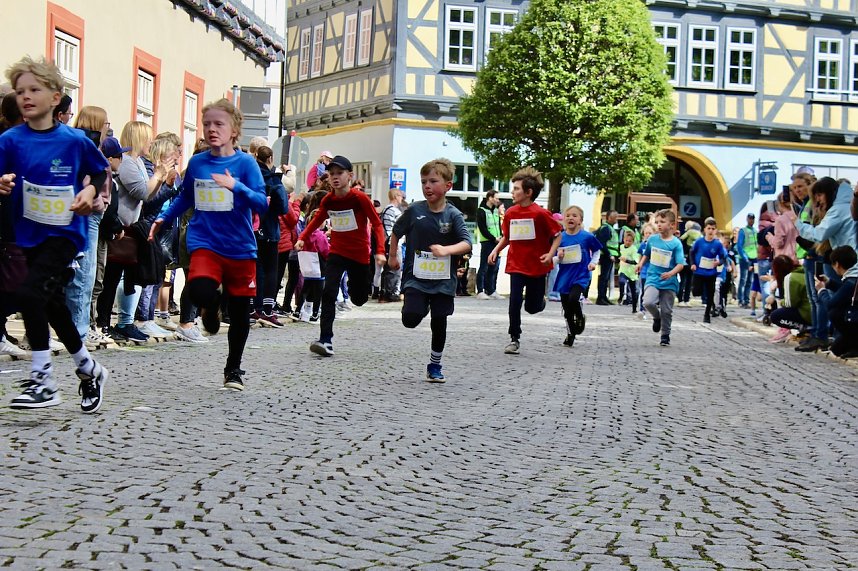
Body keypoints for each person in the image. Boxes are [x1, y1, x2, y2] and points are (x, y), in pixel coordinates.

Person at [0, 56, 110, 411]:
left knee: (30, 294)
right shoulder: (10, 140)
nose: (26, 97)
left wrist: (91, 192)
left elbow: (99, 172)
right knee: (52, 304)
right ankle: (88, 368)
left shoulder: (74, 141)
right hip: (28, 231)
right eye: (20, 92)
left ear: (56, 96)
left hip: (66, 232)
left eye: (35, 89)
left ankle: (44, 380)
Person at [149, 98, 267, 391]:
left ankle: (233, 369)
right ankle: (211, 306)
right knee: (199, 289)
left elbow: (263, 204)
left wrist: (236, 186)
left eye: (219, 124)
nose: (211, 130)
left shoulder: (246, 164)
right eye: (206, 125)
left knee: (240, 314)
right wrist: (163, 218)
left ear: (234, 129)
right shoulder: (198, 163)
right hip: (205, 242)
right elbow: (186, 197)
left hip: (240, 247)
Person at [388, 158, 472, 382]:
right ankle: (420, 307)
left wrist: (447, 250)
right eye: (424, 181)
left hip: (443, 280)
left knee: (440, 320)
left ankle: (435, 365)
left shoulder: (452, 215)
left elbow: (467, 243)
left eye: (433, 181)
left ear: (447, 186)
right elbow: (396, 232)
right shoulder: (415, 210)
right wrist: (392, 255)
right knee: (410, 319)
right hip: (416, 277)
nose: (427, 186)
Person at [295, 155, 386, 357]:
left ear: (350, 176)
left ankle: (360, 292)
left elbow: (377, 224)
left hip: (360, 255)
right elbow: (317, 219)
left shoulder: (360, 198)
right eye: (332, 174)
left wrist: (380, 251)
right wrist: (302, 237)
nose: (335, 178)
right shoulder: (329, 200)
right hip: (337, 252)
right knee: (328, 292)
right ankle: (325, 340)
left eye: (340, 173)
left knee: (359, 298)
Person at [488, 167, 562, 355]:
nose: (512, 192)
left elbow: (557, 235)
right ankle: (514, 337)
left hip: (537, 266)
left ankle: (540, 301)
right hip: (516, 264)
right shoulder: (511, 213)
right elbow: (507, 237)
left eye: (516, 189)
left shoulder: (541, 214)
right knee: (514, 301)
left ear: (528, 193)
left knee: (532, 307)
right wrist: (496, 250)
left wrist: (550, 254)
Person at [553, 205, 602, 346]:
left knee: (574, 299)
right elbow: (554, 258)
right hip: (564, 275)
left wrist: (593, 263)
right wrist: (558, 257)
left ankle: (579, 316)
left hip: (581, 274)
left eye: (574, 216)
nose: (570, 218)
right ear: (563, 220)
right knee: (566, 307)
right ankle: (570, 333)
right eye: (567, 215)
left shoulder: (587, 236)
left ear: (580, 220)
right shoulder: (560, 237)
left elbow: (597, 250)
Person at [637, 209, 686, 347]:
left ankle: (665, 335)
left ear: (671, 225)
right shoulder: (652, 239)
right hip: (653, 277)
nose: (658, 225)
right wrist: (640, 264)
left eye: (662, 222)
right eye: (657, 222)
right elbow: (646, 254)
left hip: (669, 281)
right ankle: (656, 317)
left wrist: (671, 273)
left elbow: (680, 264)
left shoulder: (676, 243)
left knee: (667, 310)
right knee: (648, 302)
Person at [251, 146, 288, 327]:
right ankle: (267, 309)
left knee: (255, 269)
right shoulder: (274, 180)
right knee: (271, 269)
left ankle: (254, 307)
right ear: (270, 159)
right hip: (271, 229)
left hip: (251, 229)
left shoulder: (250, 176)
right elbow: (284, 208)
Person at [816, 245, 858, 358]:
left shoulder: (850, 281)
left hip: (854, 323)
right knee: (836, 349)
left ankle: (854, 345)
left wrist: (822, 291)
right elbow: (845, 292)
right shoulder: (853, 278)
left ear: (837, 264)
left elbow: (830, 304)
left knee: (834, 313)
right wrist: (829, 283)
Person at [689, 217, 728, 323]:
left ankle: (707, 314)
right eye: (709, 228)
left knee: (710, 294)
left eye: (713, 229)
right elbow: (692, 252)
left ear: (715, 230)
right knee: (696, 292)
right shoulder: (699, 242)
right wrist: (692, 264)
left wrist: (718, 262)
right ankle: (699, 292)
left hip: (711, 272)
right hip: (699, 271)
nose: (711, 231)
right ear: (705, 229)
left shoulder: (717, 244)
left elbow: (724, 257)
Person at [379, 187, 404, 303]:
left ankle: (387, 292)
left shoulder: (389, 210)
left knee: (390, 269)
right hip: (393, 243)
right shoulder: (392, 210)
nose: (401, 199)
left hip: (391, 242)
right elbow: (393, 229)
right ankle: (391, 293)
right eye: (400, 196)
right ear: (396, 196)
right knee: (394, 269)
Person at [475, 190, 502, 299]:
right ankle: (480, 290)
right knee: (484, 266)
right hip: (487, 242)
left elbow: (498, 225)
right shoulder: (481, 211)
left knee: (494, 267)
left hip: (497, 242)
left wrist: (500, 236)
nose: (497, 200)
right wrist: (493, 238)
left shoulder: (496, 211)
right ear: (490, 198)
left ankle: (491, 290)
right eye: (496, 198)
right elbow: (482, 228)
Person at [594, 209, 618, 305]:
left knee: (606, 277)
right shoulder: (606, 228)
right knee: (604, 277)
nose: (616, 219)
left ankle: (604, 297)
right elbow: (602, 243)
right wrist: (609, 254)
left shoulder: (610, 228)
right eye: (614, 217)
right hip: (606, 256)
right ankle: (600, 297)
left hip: (609, 256)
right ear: (609, 218)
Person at [736, 212, 758, 308]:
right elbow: (739, 246)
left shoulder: (755, 231)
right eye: (750, 218)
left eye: (752, 218)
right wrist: (745, 257)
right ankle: (740, 300)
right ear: (747, 219)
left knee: (750, 280)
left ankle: (746, 300)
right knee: (743, 279)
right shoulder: (743, 231)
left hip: (754, 258)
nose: (751, 220)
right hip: (745, 258)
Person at [617, 230, 640, 312]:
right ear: (623, 240)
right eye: (626, 240)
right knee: (622, 281)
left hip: (631, 272)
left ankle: (634, 308)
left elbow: (636, 261)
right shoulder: (621, 247)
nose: (627, 242)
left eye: (630, 241)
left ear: (633, 241)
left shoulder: (634, 249)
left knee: (634, 291)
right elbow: (620, 255)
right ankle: (621, 295)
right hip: (623, 270)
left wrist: (626, 260)